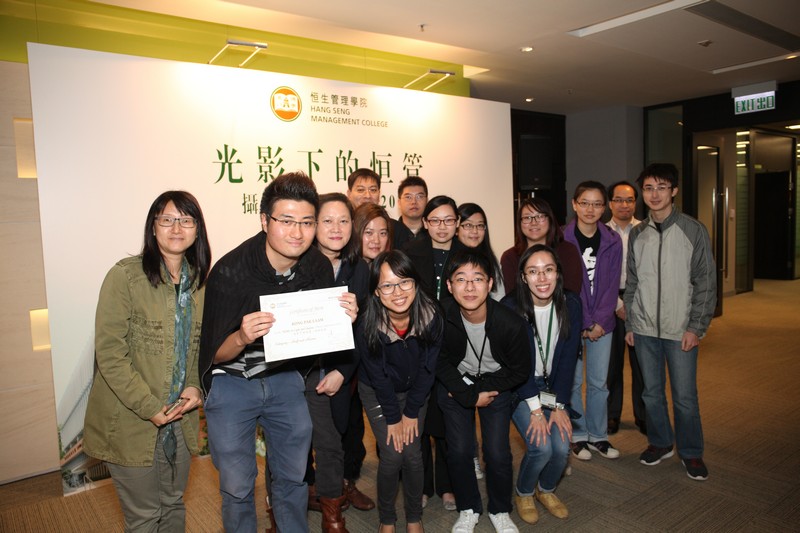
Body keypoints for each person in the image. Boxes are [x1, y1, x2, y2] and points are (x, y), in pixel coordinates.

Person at [199, 172, 358, 532]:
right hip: (232, 380)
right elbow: (215, 355)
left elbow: (320, 336)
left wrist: (343, 318)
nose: (297, 233)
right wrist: (241, 336)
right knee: (238, 485)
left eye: (306, 222)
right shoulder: (230, 272)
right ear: (264, 220)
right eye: (286, 221)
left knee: (293, 477)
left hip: (285, 377)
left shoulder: (316, 266)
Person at [84, 190, 211, 531]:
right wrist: (149, 406)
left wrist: (196, 387)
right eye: (166, 219)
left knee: (172, 506)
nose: (176, 227)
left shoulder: (199, 283)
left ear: (197, 230)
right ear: (153, 228)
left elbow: (198, 348)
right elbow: (109, 354)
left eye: (186, 220)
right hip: (131, 420)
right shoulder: (125, 277)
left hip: (179, 420)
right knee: (144, 517)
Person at [625, 163, 716, 481]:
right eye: (648, 188)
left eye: (661, 187)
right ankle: (661, 443)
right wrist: (630, 325)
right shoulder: (638, 234)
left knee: (685, 397)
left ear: (674, 191)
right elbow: (633, 284)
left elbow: (706, 281)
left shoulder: (693, 230)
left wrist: (696, 326)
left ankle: (691, 452)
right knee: (651, 393)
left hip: (681, 330)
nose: (654, 194)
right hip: (645, 328)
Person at [437, 249, 531, 533]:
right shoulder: (439, 315)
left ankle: (500, 509)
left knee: (498, 453)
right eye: (461, 279)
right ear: (449, 285)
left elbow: (519, 371)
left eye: (477, 279)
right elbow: (437, 361)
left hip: (496, 384)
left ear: (490, 284)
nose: (469, 287)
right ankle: (469, 508)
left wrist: (484, 390)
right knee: (460, 451)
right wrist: (466, 395)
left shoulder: (511, 322)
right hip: (456, 384)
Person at [357, 250, 443, 533]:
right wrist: (395, 418)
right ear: (377, 292)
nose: (397, 292)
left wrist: (411, 412)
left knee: (414, 454)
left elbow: (428, 371)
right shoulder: (368, 324)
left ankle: (414, 517)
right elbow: (378, 377)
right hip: (378, 392)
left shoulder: (431, 316)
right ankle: (387, 519)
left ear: (416, 284)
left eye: (404, 282)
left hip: (416, 392)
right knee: (393, 455)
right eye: (387, 285)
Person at [302, 192, 373, 528]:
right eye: (327, 220)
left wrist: (342, 373)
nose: (336, 228)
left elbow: (362, 329)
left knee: (337, 434)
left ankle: (334, 493)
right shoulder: (297, 263)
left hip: (341, 368)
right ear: (313, 224)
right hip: (298, 371)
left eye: (344, 220)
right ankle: (302, 494)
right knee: (296, 440)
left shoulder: (360, 268)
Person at [504, 244, 582, 524]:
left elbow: (568, 360)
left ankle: (545, 489)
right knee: (542, 447)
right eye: (533, 272)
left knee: (562, 447)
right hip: (520, 388)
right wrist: (536, 410)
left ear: (558, 274)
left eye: (548, 270)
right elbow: (514, 367)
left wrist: (559, 405)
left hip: (552, 386)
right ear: (523, 277)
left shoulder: (571, 304)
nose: (542, 278)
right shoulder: (510, 308)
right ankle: (524, 492)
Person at [402, 195, 462, 512]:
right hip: (418, 345)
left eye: (449, 220)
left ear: (457, 224)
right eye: (435, 220)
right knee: (421, 418)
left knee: (449, 415)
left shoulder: (466, 255)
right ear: (426, 223)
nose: (442, 227)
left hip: (453, 344)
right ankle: (423, 485)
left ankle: (448, 485)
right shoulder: (410, 254)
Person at [563, 181, 622, 461]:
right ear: (574, 204)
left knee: (599, 383)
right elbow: (567, 286)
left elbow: (612, 286)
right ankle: (577, 435)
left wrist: (599, 320)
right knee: (572, 383)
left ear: (605, 206)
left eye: (597, 203)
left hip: (604, 324)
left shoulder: (612, 239)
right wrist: (585, 321)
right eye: (584, 202)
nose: (590, 209)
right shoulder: (562, 238)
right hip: (573, 323)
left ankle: (599, 436)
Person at [605, 181, 646, 436]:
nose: (624, 205)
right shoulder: (601, 232)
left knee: (643, 364)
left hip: (641, 301)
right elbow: (597, 277)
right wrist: (618, 304)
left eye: (629, 200)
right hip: (609, 301)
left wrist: (633, 304)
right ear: (610, 203)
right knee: (611, 365)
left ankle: (644, 416)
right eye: (618, 200)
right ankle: (611, 415)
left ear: (635, 203)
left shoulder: (646, 230)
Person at [500, 197, 582, 296]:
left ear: (550, 219)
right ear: (519, 223)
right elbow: (512, 297)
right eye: (527, 218)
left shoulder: (568, 251)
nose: (533, 223)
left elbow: (571, 294)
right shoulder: (510, 257)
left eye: (540, 216)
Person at [456, 202, 505, 299]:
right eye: (468, 225)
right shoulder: (448, 259)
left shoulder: (491, 261)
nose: (475, 231)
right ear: (456, 229)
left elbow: (499, 296)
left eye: (480, 225)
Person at [393, 176, 428, 250]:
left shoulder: (434, 232)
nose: (414, 202)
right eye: (408, 197)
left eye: (419, 197)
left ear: (427, 201)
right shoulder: (390, 232)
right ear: (399, 203)